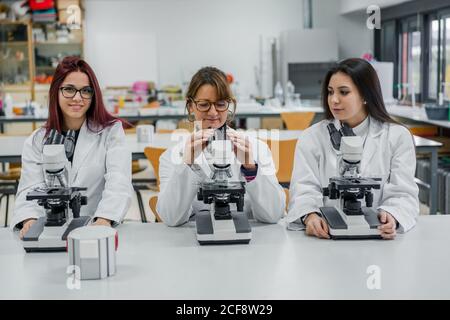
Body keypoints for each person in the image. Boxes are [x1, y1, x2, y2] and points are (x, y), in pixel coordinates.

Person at [287, 58, 419, 240]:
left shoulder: (396, 137)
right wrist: (309, 215)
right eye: (330, 92)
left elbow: (403, 193)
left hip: (377, 240)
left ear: (365, 95)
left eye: (344, 92)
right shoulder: (312, 137)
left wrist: (393, 215)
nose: (334, 100)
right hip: (326, 240)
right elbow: (304, 188)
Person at [12, 56, 133, 238]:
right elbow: (29, 188)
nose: (78, 98)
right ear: (56, 91)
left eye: (86, 91)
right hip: (49, 230)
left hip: (95, 230)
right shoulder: (37, 140)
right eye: (69, 89)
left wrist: (104, 219)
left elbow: (119, 180)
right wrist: (30, 220)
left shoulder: (111, 132)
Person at [157, 66, 285, 226]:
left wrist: (251, 169)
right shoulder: (172, 156)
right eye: (204, 105)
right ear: (190, 106)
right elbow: (170, 217)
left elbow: (274, 214)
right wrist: (186, 163)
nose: (213, 112)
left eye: (220, 104)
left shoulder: (256, 149)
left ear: (229, 104)